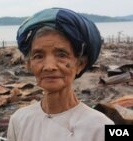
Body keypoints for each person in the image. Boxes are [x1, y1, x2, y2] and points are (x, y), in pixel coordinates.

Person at [7, 8, 114, 141]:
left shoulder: (102, 127)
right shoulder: (19, 121)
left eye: (61, 55)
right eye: (39, 56)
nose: (49, 67)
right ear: (29, 64)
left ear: (80, 64)